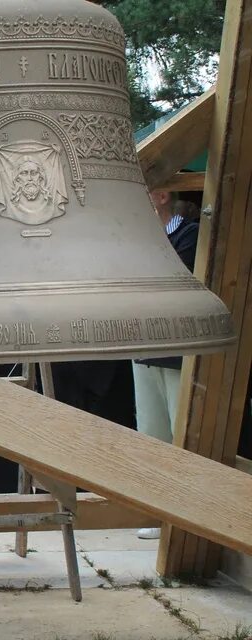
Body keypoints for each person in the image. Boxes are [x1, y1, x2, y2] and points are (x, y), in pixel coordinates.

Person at [132, 190, 199, 540]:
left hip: (175, 354)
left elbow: (167, 284)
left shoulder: (189, 236)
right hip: (145, 350)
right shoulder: (138, 238)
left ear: (161, 195)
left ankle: (186, 515)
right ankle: (159, 514)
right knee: (152, 435)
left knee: (180, 433)